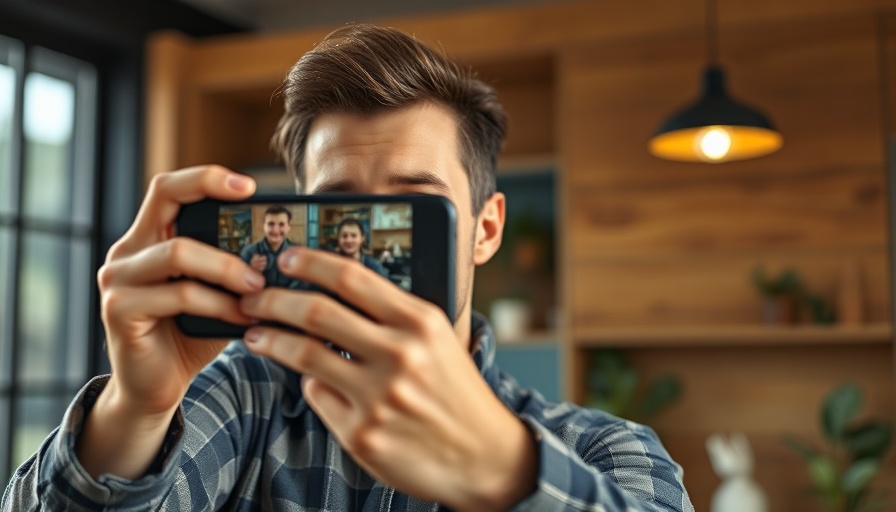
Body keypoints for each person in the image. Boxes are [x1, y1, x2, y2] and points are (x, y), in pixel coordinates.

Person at [2, 23, 694, 512]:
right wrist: (136, 408)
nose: (363, 245)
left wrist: (505, 474)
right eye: (339, 212)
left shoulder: (605, 451)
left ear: (486, 229)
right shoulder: (241, 400)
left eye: (414, 209)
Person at [239, 205, 299, 287]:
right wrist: (251, 270)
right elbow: (239, 285)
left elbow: (301, 288)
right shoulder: (248, 252)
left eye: (281, 224)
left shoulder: (298, 254)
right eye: (271, 224)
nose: (275, 230)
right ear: (264, 227)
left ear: (288, 228)